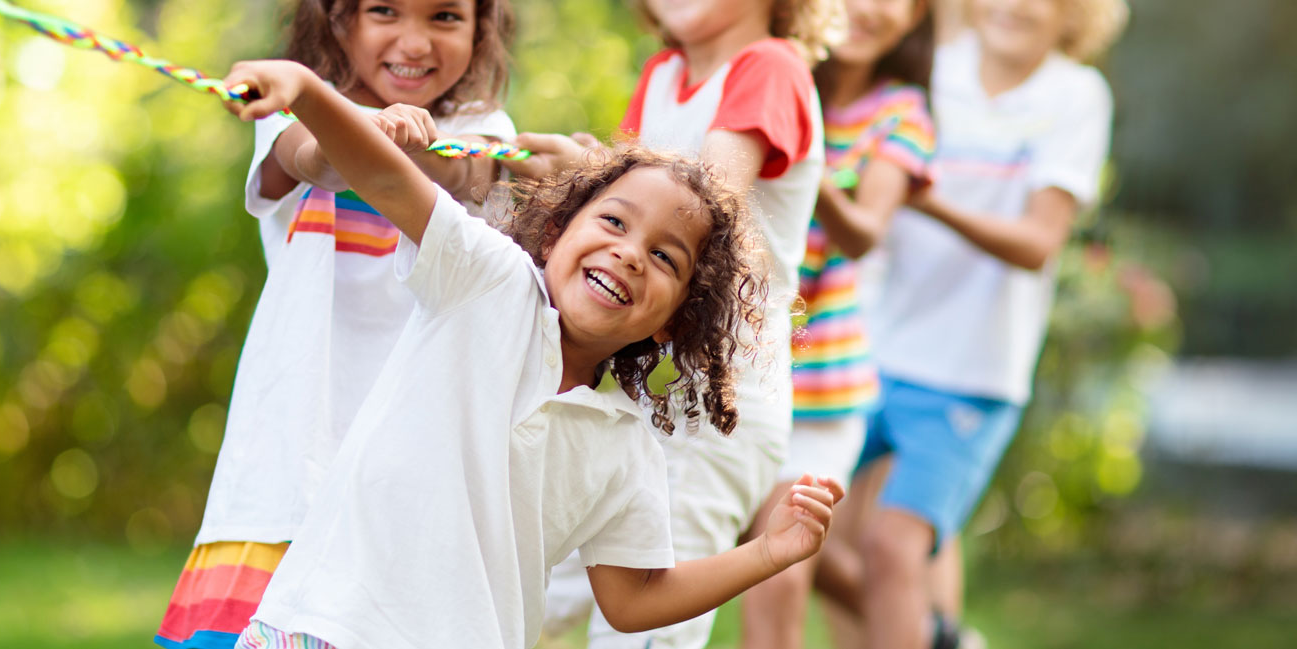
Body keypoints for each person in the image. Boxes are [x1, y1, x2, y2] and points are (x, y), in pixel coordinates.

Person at [217, 57, 845, 649]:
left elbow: (633, 601)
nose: (629, 253)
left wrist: (767, 552)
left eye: (663, 257)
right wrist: (303, 89)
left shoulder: (625, 446)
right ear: (555, 232)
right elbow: (382, 173)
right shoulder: (482, 280)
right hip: (324, 625)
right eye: (615, 223)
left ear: (675, 324)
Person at [156, 1, 519, 647]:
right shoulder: (284, 114)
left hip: (419, 446)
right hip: (297, 444)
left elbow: (463, 170)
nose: (415, 41)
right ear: (337, 19)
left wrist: (405, 138)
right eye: (385, 10)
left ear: (480, 31)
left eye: (445, 16)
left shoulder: (484, 126)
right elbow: (318, 160)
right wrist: (326, 108)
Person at [517, 0, 840, 645]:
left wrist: (577, 172)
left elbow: (701, 200)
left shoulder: (769, 66)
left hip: (716, 401)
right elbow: (633, 198)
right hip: (636, 381)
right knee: (531, 585)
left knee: (647, 626)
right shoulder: (664, 72)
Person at [853, 0, 1125, 646]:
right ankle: (942, 637)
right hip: (873, 348)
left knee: (893, 546)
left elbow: (1038, 242)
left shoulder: (1076, 94)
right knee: (799, 527)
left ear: (1074, 14)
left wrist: (928, 201)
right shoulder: (931, 73)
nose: (1014, 5)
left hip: (973, 374)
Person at [736, 0, 938, 645]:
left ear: (918, 19)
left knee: (782, 573)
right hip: (733, 368)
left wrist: (807, 157)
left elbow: (865, 234)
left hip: (824, 386)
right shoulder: (769, 71)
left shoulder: (900, 112)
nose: (871, 8)